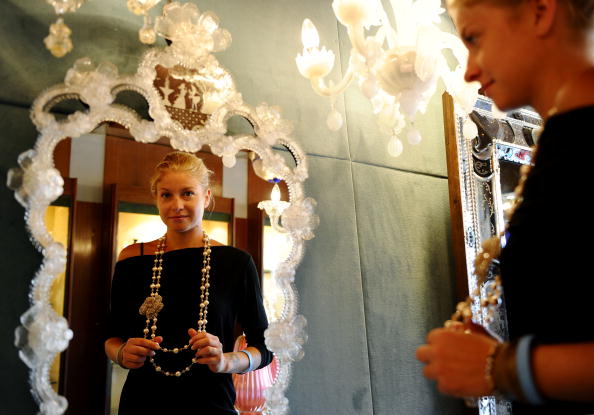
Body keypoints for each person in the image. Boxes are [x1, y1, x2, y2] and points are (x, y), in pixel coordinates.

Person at [416, 0, 594, 413]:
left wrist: (503, 367)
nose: (469, 70)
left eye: (474, 38)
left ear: (539, 10)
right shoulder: (563, 138)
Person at [104, 151, 272, 414]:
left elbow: (265, 347)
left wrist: (226, 362)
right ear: (156, 199)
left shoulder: (236, 262)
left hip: (211, 405)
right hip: (142, 404)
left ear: (206, 196)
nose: (176, 204)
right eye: (166, 195)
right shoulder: (131, 258)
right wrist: (122, 352)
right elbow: (110, 336)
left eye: (187, 193)